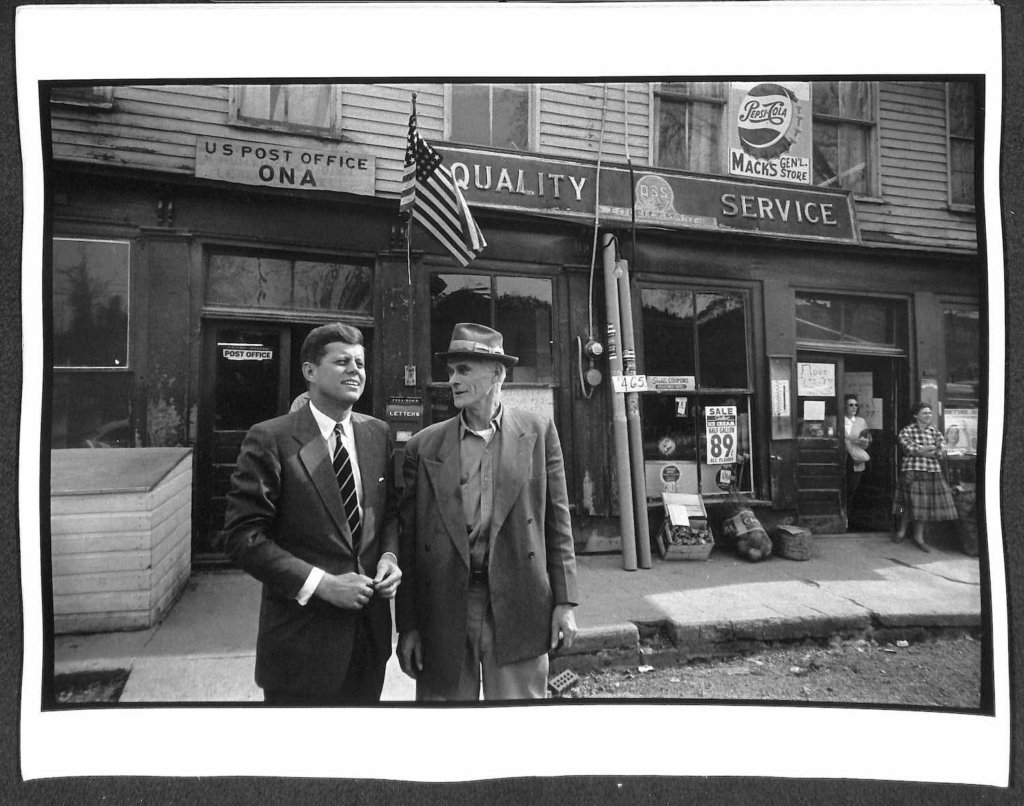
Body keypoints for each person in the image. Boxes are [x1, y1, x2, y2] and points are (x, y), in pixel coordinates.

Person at [396, 323, 579, 700]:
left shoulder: (538, 430)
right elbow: (410, 544)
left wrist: (564, 602)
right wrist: (409, 625)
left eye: (464, 370)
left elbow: (557, 523)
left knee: (517, 724)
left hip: (519, 597)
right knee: (446, 723)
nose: (453, 380)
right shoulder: (423, 445)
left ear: (498, 373)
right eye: (451, 372)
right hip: (444, 605)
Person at [223, 323, 401, 705]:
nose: (355, 370)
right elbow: (243, 537)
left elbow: (388, 514)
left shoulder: (378, 434)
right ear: (309, 371)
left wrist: (389, 557)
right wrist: (323, 584)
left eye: (360, 363)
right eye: (342, 362)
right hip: (301, 647)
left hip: (368, 641)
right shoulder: (270, 438)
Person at [893, 401, 958, 552]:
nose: (928, 415)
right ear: (916, 415)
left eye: (930, 413)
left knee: (923, 505)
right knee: (905, 503)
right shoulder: (907, 431)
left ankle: (918, 536)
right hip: (912, 471)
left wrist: (923, 450)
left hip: (931, 472)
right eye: (925, 413)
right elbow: (908, 447)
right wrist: (928, 449)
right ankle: (901, 531)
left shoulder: (935, 432)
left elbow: (941, 451)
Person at [843, 394, 872, 527]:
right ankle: (842, 517)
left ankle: (848, 517)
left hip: (856, 460)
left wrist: (862, 441)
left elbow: (867, 442)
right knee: (841, 489)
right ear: (844, 406)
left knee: (852, 489)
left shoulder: (861, 422)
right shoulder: (840, 420)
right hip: (842, 458)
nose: (854, 407)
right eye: (851, 405)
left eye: (856, 405)